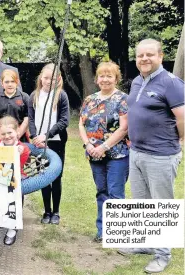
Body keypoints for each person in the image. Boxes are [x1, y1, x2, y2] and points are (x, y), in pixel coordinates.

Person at [118, 39, 184, 274]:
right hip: (136, 152)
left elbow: (182, 118)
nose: (144, 59)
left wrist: (178, 139)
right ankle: (144, 244)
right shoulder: (137, 81)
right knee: (142, 202)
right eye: (140, 56)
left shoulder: (171, 83)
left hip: (161, 156)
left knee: (161, 205)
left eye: (149, 55)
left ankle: (162, 255)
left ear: (160, 56)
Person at [79, 61, 129, 243]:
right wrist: (88, 145)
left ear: (116, 78)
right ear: (97, 78)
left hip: (117, 154)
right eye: (102, 76)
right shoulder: (90, 99)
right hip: (94, 154)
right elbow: (81, 123)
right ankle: (102, 231)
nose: (105, 79)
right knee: (101, 192)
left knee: (115, 193)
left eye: (110, 76)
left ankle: (116, 234)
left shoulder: (123, 99)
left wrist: (103, 147)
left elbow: (124, 128)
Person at [28, 63, 69, 225]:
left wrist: (47, 135)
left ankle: (56, 212)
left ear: (58, 79)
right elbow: (30, 118)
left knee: (56, 177)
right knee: (43, 176)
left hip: (56, 141)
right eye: (45, 78)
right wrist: (34, 136)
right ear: (41, 78)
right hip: (39, 142)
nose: (48, 81)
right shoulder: (34, 95)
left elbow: (64, 120)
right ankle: (47, 211)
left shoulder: (61, 96)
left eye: (52, 79)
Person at [0, 116, 30, 245]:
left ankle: (14, 225)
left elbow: (19, 167)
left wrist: (18, 154)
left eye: (10, 133)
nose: (7, 136)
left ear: (17, 131)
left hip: (16, 176)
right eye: (3, 134)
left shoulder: (23, 148)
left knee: (17, 188)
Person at [0, 69, 30, 142]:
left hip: (20, 136)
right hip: (1, 135)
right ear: (2, 83)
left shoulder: (25, 97)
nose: (10, 84)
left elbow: (27, 118)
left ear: (17, 82)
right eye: (7, 82)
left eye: (12, 81)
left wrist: (18, 134)